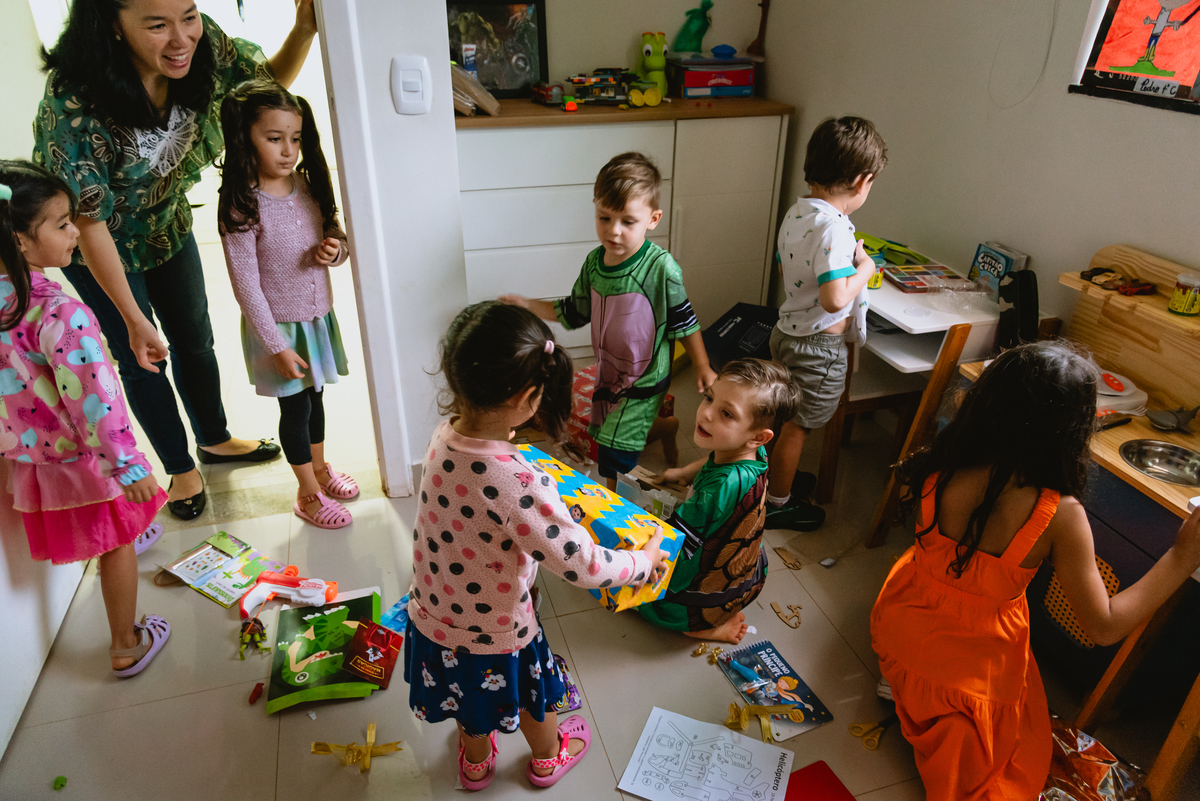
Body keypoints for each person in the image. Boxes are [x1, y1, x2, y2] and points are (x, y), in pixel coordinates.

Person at [32, 0, 323, 519]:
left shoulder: (203, 42)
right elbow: (91, 219)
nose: (181, 38)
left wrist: (303, 31)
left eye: (187, 16)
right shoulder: (72, 102)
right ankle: (180, 467)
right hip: (104, 245)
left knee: (196, 338)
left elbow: (259, 94)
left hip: (168, 224)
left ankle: (213, 438)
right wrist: (132, 314)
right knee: (141, 353)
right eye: (157, 25)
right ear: (113, 27)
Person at [870, 343, 1200, 801]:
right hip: (967, 670)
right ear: (1073, 429)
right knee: (1012, 763)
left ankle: (912, 691)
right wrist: (1182, 557)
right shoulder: (1059, 513)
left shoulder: (944, 460)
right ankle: (943, 707)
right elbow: (1103, 627)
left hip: (899, 627)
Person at [404, 301, 669, 791]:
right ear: (528, 397)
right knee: (529, 697)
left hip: (436, 614)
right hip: (499, 628)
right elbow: (584, 565)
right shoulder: (518, 481)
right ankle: (548, 755)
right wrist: (642, 560)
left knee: (471, 700)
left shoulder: (444, 437)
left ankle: (476, 762)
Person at [0, 161, 170, 676]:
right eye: (61, 223)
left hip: (30, 454)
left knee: (107, 528)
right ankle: (125, 643)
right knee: (115, 543)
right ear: (21, 242)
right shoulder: (58, 312)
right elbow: (95, 399)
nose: (76, 230)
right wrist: (129, 466)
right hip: (84, 456)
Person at [500, 152, 717, 491]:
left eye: (627, 222)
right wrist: (528, 304)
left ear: (653, 218)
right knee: (605, 436)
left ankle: (612, 511)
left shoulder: (662, 269)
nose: (613, 231)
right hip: (609, 371)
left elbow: (684, 321)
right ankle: (665, 428)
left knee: (614, 455)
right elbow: (574, 311)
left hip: (645, 377)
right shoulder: (594, 263)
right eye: (604, 218)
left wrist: (703, 366)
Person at [217, 80, 356, 530]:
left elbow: (338, 240)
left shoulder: (308, 187)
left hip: (315, 318)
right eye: (274, 139)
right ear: (245, 139)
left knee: (315, 400)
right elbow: (246, 286)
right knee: (294, 411)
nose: (288, 150)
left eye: (294, 139)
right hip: (276, 329)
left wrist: (334, 251)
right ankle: (308, 494)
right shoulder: (242, 204)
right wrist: (275, 344)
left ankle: (319, 467)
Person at [766, 116, 887, 531]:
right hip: (817, 349)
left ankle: (772, 480)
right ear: (861, 180)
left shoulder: (798, 212)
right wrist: (866, 267)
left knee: (783, 420)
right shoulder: (833, 227)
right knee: (798, 428)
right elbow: (834, 296)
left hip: (786, 332)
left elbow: (787, 264)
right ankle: (777, 503)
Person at [639, 358, 799, 644]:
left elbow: (673, 544)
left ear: (757, 436)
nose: (707, 414)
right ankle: (716, 612)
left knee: (630, 579)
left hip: (705, 598)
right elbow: (713, 460)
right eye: (709, 398)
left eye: (726, 413)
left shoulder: (717, 491)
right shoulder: (753, 454)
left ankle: (701, 627)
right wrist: (685, 472)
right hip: (748, 576)